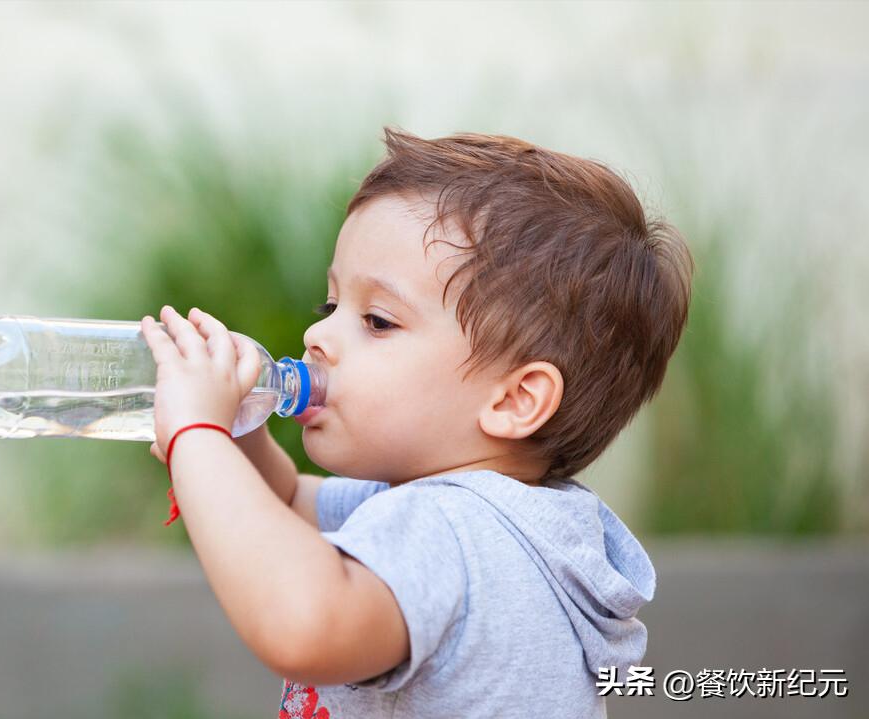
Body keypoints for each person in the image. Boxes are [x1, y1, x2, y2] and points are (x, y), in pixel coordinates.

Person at [138, 126, 693, 718]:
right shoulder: (506, 520)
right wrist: (236, 433)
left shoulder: (449, 529)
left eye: (377, 320)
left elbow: (302, 626)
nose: (316, 335)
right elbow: (286, 503)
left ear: (515, 400)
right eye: (331, 306)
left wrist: (196, 435)